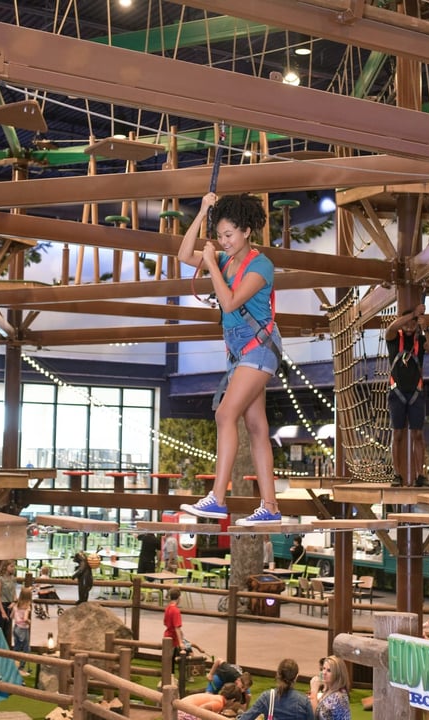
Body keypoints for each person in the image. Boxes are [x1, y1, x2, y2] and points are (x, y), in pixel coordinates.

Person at [178, 193, 283, 526]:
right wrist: (202, 212)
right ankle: (270, 507)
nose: (224, 242)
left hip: (259, 347)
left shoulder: (260, 264)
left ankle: (218, 499)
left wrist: (210, 263)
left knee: (225, 414)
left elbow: (230, 301)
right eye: (220, 235)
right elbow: (182, 254)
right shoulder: (224, 259)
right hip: (240, 353)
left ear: (247, 231)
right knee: (255, 426)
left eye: (230, 235)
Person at [386, 303, 429, 487]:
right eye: (406, 323)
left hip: (416, 393)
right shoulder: (393, 338)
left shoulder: (420, 341)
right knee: (397, 433)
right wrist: (413, 314)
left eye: (412, 324)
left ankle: (420, 475)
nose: (409, 327)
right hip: (397, 393)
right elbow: (392, 327)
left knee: (418, 434)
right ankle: (397, 474)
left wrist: (426, 329)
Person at [239, 658, 313, 720]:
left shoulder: (266, 697)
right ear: (296, 677)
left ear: (278, 674)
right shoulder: (304, 702)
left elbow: (246, 718)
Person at [309, 655, 352, 720]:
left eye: (329, 670)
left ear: (337, 674)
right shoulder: (331, 689)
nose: (324, 673)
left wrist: (314, 692)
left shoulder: (338, 697)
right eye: (323, 669)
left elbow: (317, 716)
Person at [179, 682, 245, 720]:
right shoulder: (219, 703)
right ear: (232, 700)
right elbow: (201, 709)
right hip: (182, 713)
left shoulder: (217, 697)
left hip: (180, 708)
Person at [163, 586, 188, 673]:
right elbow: (177, 627)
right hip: (173, 637)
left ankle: (170, 675)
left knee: (170, 658)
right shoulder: (176, 611)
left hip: (167, 634)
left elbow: (165, 623)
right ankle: (172, 676)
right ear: (179, 597)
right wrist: (181, 642)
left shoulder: (168, 608)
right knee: (173, 658)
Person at [0, 560, 16, 642]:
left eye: (14, 566)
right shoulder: (0, 579)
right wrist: (2, 612)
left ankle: (6, 650)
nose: (13, 568)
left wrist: (14, 603)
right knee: (0, 630)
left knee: (7, 630)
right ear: (6, 567)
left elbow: (14, 593)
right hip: (1, 605)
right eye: (11, 566)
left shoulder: (13, 579)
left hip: (9, 606)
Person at [10, 586, 33, 655]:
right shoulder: (27, 607)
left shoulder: (16, 605)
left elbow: (11, 616)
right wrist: (29, 621)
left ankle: (14, 661)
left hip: (16, 627)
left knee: (17, 646)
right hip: (23, 629)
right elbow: (25, 619)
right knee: (26, 648)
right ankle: (22, 665)